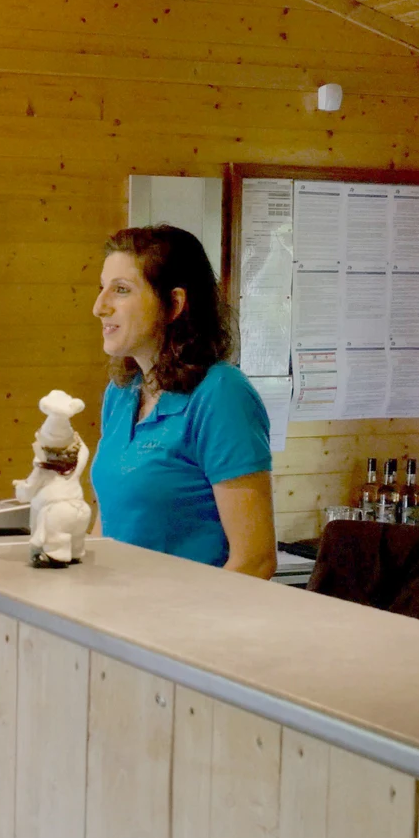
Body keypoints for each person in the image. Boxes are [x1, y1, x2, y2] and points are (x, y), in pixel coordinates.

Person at [88, 225, 277, 578]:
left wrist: (181, 628)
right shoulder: (122, 391)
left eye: (121, 290)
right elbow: (109, 525)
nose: (100, 307)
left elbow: (255, 560)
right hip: (119, 616)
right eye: (102, 289)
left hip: (182, 625)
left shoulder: (222, 394)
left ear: (174, 304)